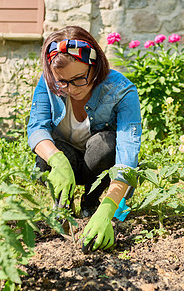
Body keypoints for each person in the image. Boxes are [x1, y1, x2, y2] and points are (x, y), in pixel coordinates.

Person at [27, 26, 142, 252]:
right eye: (62, 81)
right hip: (67, 160)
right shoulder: (48, 83)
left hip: (96, 167)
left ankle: (91, 204)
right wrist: (57, 160)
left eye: (79, 78)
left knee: (106, 145)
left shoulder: (121, 90)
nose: (71, 88)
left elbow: (127, 157)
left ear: (95, 65)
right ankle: (63, 208)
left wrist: (108, 211)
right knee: (45, 155)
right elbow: (36, 128)